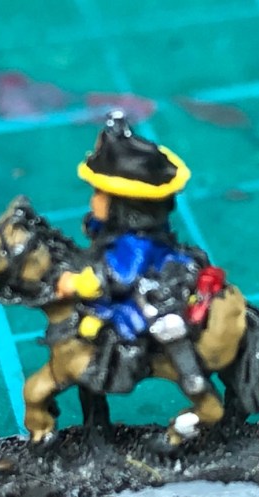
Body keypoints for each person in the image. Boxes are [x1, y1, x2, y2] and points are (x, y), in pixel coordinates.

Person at [56, 111, 216, 397]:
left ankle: (188, 374)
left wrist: (80, 283)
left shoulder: (137, 242)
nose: (93, 200)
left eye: (100, 194)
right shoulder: (117, 230)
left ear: (125, 206)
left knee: (150, 324)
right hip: (136, 276)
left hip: (154, 282)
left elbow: (123, 275)